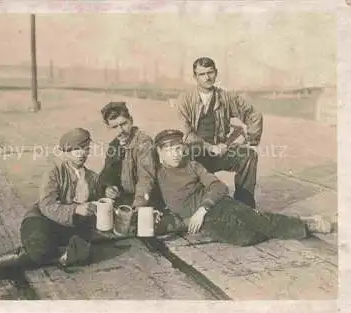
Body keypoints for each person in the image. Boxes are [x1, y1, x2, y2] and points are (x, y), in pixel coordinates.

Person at [0, 128, 99, 289]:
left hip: (67, 227)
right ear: (66, 151)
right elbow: (46, 204)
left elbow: (96, 203)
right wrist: (75, 210)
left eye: (85, 149)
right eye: (76, 149)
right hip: (41, 218)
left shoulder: (91, 177)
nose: (81, 153)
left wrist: (108, 193)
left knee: (85, 255)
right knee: (39, 249)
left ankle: (53, 254)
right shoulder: (55, 171)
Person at [152, 129, 333, 246]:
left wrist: (202, 209)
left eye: (178, 148)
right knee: (245, 237)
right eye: (169, 150)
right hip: (202, 222)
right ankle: (288, 222)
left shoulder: (192, 165)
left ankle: (308, 224)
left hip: (217, 206)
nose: (175, 154)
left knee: (258, 222)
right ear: (160, 153)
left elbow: (219, 187)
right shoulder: (157, 174)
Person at [174, 57, 263, 209]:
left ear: (216, 73)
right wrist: (210, 147)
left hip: (221, 151)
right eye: (202, 74)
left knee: (248, 156)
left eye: (210, 72)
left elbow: (253, 114)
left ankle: (244, 205)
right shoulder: (185, 99)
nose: (207, 77)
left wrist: (252, 141)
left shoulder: (227, 97)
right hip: (195, 152)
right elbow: (186, 134)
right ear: (195, 77)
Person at [98, 101, 164, 210]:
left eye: (123, 124)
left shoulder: (144, 143)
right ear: (108, 127)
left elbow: (146, 178)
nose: (120, 131)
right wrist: (108, 187)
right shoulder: (114, 144)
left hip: (146, 200)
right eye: (114, 127)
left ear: (131, 121)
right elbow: (107, 172)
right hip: (125, 198)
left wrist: (138, 206)